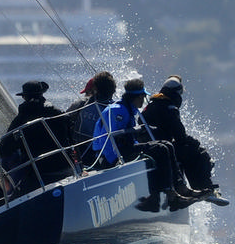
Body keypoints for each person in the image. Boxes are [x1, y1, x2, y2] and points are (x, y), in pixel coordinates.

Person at [91, 78, 196, 212]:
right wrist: (114, 161)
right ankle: (170, 196)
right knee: (161, 149)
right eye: (143, 96)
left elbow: (128, 140)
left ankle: (180, 189)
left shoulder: (128, 108)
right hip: (108, 156)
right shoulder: (119, 111)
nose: (144, 99)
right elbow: (109, 139)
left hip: (123, 149)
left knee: (166, 145)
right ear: (139, 96)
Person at [0, 80, 76, 196]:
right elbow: (72, 138)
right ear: (42, 94)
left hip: (41, 173)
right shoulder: (58, 113)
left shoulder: (22, 120)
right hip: (66, 167)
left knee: (14, 198)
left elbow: (5, 147)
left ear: (24, 98)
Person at [140, 75, 226, 203]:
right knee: (198, 152)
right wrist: (195, 143)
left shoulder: (151, 106)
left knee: (185, 149)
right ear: (176, 93)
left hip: (152, 148)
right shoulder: (169, 108)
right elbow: (180, 136)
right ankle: (205, 189)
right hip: (163, 150)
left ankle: (188, 187)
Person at [67, 71, 116, 167]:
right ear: (113, 89)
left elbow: (65, 120)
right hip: (103, 155)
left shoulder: (81, 104)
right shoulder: (116, 108)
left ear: (95, 89)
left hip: (81, 153)